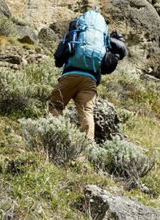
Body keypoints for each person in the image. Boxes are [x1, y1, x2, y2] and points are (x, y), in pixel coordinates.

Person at [49, 10, 127, 141]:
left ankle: (53, 138)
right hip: (90, 80)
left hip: (70, 75)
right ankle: (87, 146)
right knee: (87, 113)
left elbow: (58, 60)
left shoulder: (74, 36)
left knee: (56, 105)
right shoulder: (102, 40)